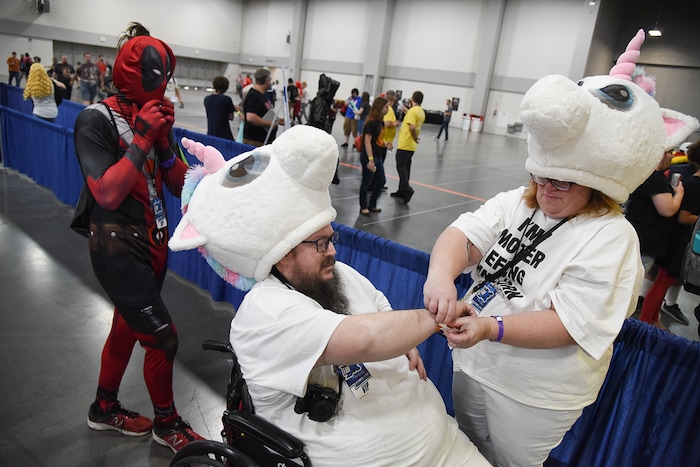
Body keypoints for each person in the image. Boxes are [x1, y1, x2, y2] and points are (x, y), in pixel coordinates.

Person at [422, 30, 698, 466]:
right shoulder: (519, 200)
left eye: (564, 180)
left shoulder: (612, 236)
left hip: (534, 392)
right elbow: (461, 237)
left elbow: (570, 324)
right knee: (467, 449)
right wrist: (441, 277)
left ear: (596, 181)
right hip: (474, 362)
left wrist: (490, 327)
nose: (548, 189)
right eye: (542, 176)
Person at [169, 125, 490, 467]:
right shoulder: (264, 312)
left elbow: (378, 305)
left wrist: (406, 341)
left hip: (445, 442)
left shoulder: (333, 274)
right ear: (283, 252)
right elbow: (365, 338)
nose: (333, 251)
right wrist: (436, 317)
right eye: (320, 242)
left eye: (330, 237)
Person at [73, 21, 204, 453]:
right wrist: (145, 136)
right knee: (163, 338)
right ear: (133, 75)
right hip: (117, 247)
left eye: (165, 77)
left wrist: (168, 145)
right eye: (156, 77)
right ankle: (167, 423)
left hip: (154, 245)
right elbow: (107, 191)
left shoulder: (155, 116)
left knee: (127, 330)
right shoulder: (96, 119)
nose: (163, 87)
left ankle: (104, 408)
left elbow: (178, 184)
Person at [640, 141, 700, 327]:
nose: (671, 156)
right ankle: (644, 322)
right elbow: (679, 215)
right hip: (676, 241)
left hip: (675, 240)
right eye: (667, 152)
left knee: (664, 281)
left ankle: (653, 318)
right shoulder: (692, 184)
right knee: (661, 282)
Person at [625, 149, 685, 327]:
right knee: (631, 283)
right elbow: (667, 209)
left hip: (639, 236)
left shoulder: (644, 174)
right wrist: (679, 193)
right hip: (646, 240)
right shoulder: (655, 178)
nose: (671, 156)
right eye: (667, 152)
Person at [390, 90, 425, 204]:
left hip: (405, 143)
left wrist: (414, 137)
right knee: (406, 167)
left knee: (401, 167)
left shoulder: (412, 112)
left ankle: (406, 189)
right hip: (411, 146)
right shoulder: (420, 111)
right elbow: (413, 116)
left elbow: (412, 127)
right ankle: (401, 190)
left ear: (412, 99)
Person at [359, 96, 389, 215]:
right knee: (366, 181)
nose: (387, 109)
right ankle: (363, 206)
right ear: (380, 107)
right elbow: (367, 141)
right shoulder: (370, 122)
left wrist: (386, 144)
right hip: (369, 156)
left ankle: (372, 204)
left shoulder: (380, 122)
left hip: (378, 155)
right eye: (386, 107)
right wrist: (370, 160)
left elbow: (378, 139)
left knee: (381, 180)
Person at [242, 67, 279, 147]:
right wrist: (269, 124)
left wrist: (277, 120)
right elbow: (251, 117)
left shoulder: (262, 95)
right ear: (267, 81)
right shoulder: (254, 96)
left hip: (264, 140)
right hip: (255, 140)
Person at [204, 76, 236, 140]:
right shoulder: (227, 99)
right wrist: (236, 110)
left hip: (211, 133)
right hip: (224, 135)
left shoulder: (207, 99)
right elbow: (231, 117)